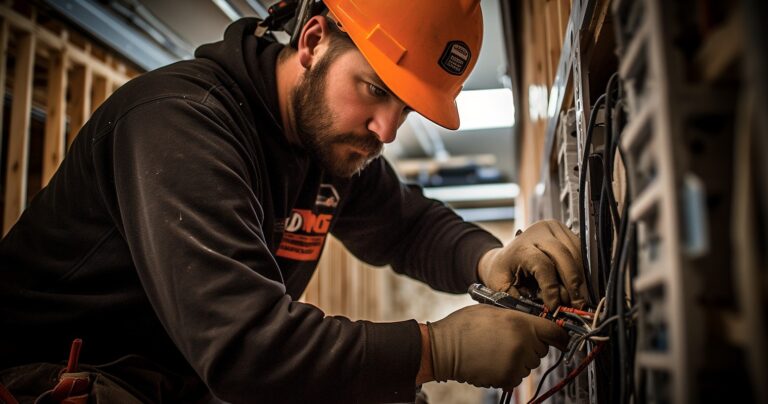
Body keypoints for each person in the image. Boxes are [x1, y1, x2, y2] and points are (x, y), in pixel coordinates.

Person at [0, 1, 587, 402]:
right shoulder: (181, 125)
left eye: (405, 109)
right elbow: (247, 347)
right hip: (56, 379)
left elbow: (407, 227)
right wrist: (441, 348)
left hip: (171, 381)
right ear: (313, 42)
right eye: (376, 89)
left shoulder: (324, 143)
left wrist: (491, 260)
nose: (386, 128)